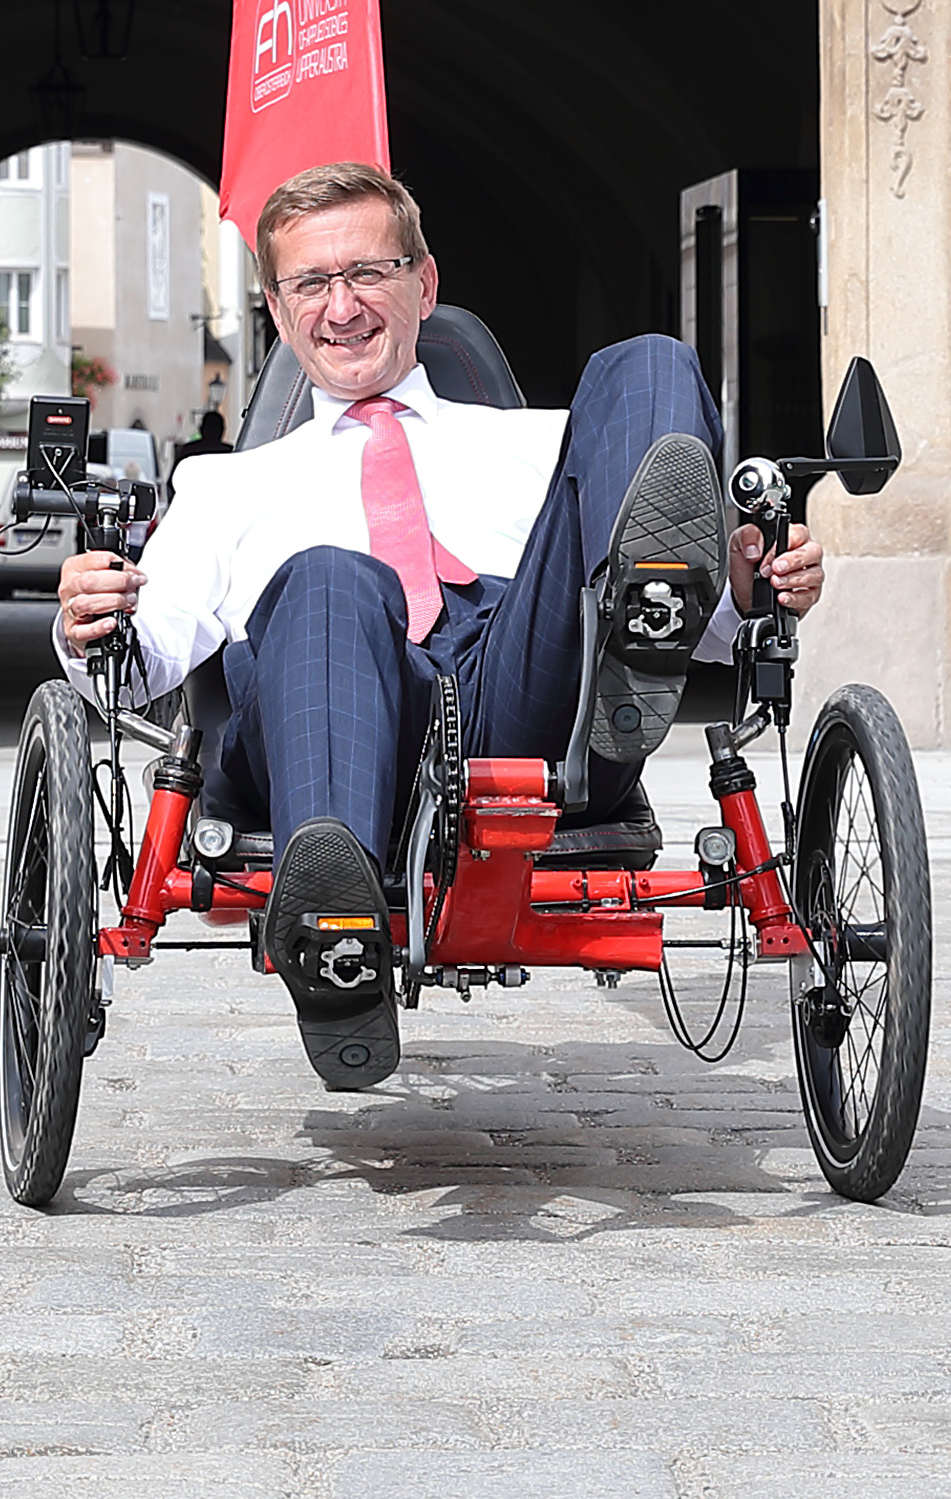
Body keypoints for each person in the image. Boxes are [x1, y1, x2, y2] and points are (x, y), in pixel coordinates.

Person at [58, 159, 823, 1089]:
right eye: (312, 282)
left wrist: (748, 588)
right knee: (330, 576)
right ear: (276, 305)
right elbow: (141, 663)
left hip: (518, 696)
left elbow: (719, 641)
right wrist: (92, 617)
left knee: (647, 363)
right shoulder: (221, 485)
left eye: (368, 273)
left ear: (423, 284)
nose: (341, 307)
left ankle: (644, 605)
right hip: (322, 705)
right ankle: (336, 931)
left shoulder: (545, 442)